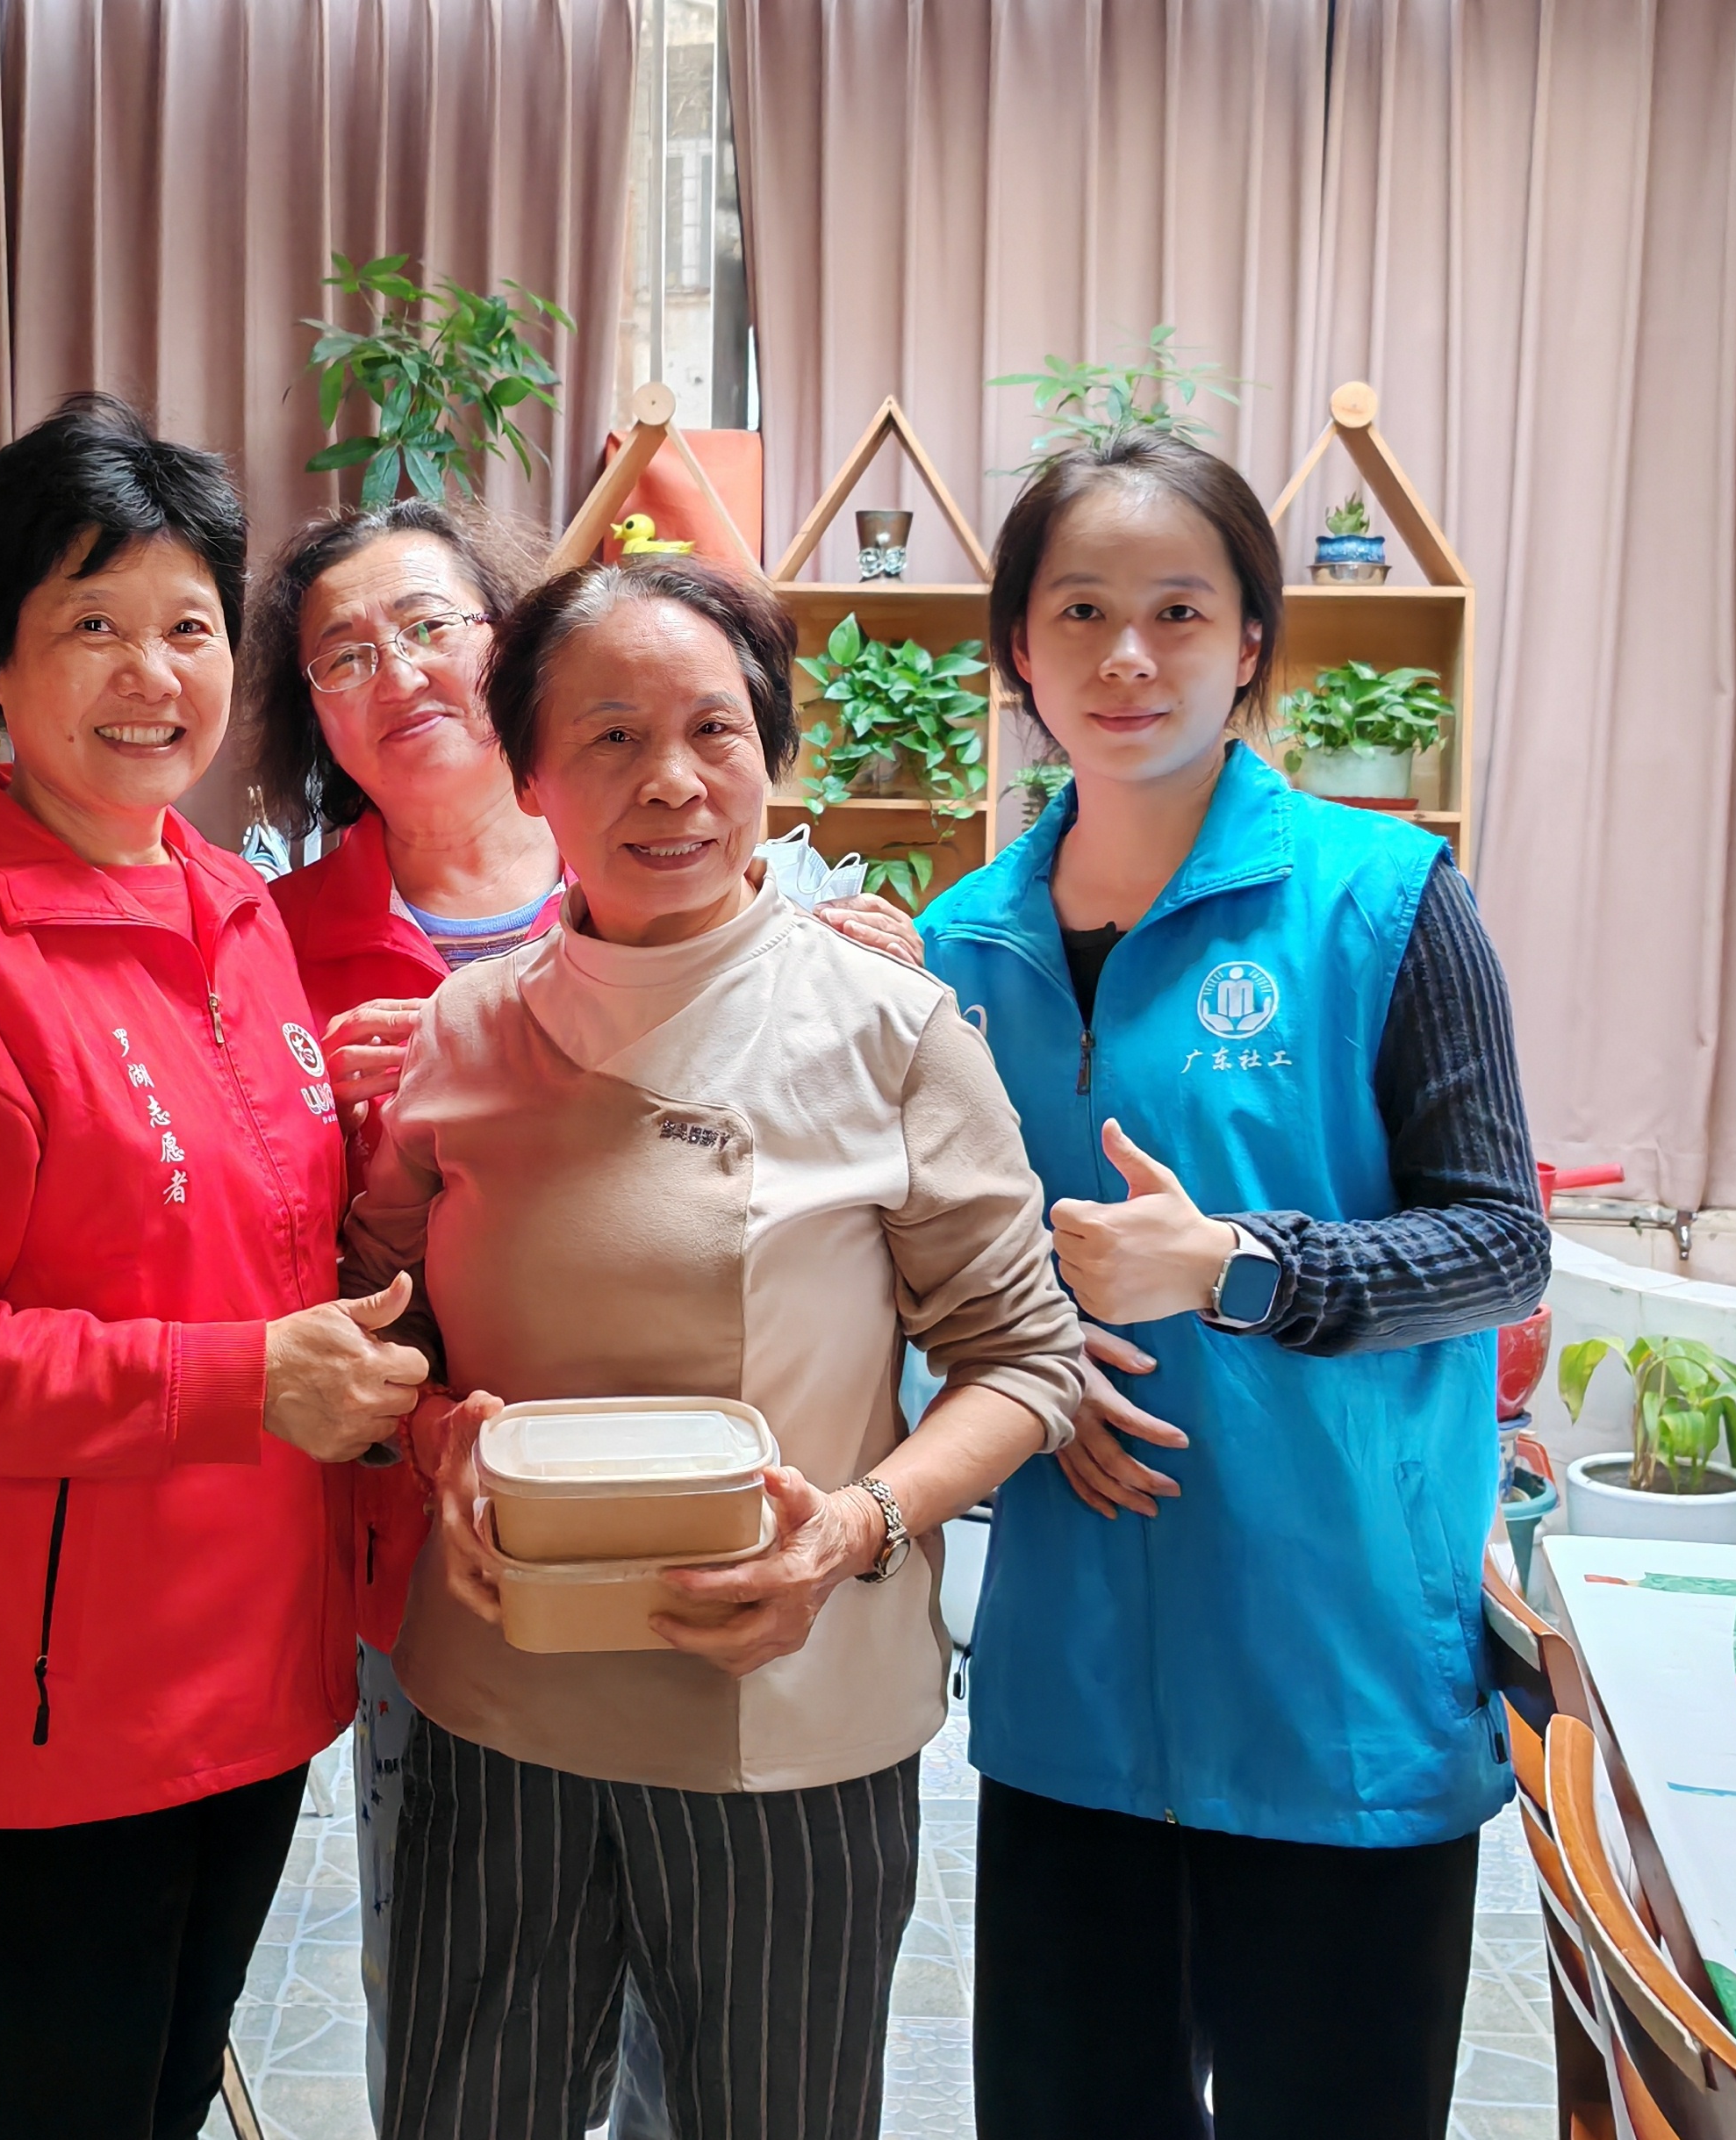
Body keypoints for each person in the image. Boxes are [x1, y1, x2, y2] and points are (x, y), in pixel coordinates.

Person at [341, 557, 1089, 2139]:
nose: (672, 781)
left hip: (792, 1719)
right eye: (609, 736)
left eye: (715, 729)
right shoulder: (464, 1032)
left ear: (771, 753)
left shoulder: (891, 1030)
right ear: (529, 775)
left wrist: (853, 1527)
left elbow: (1027, 1361)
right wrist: (434, 1435)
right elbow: (383, 1321)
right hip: (500, 1711)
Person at [239, 501, 944, 2138]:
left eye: (430, 623)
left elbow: (916, 1228)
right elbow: (292, 1255)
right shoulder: (266, 937)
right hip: (450, 1548)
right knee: (471, 1983)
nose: (397, 671)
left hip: (732, 1550)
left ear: (509, 651)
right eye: (343, 653)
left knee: (717, 2028)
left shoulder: (702, 853)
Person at [0, 395, 426, 2140]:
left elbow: (252, 1236)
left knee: (160, 2098)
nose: (152, 676)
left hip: (253, 1663)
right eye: (91, 626)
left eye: (188, 627)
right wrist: (244, 1379)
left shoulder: (235, 912)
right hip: (48, 1706)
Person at [918, 432, 1553, 2140]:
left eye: (1179, 611)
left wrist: (1236, 1267)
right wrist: (1022, 1373)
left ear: (1252, 638)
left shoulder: (1386, 900)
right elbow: (925, 1276)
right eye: (1080, 611)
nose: (1127, 657)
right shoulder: (955, 949)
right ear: (1018, 645)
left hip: (1334, 1681)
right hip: (1066, 1699)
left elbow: (1500, 1240)